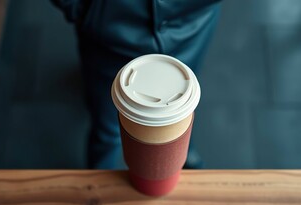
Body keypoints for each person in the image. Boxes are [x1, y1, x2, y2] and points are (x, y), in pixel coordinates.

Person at [51, 0, 221, 169]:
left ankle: (183, 147)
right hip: (111, 35)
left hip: (191, 25)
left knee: (182, 104)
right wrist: (85, 9)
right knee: (108, 126)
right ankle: (100, 184)